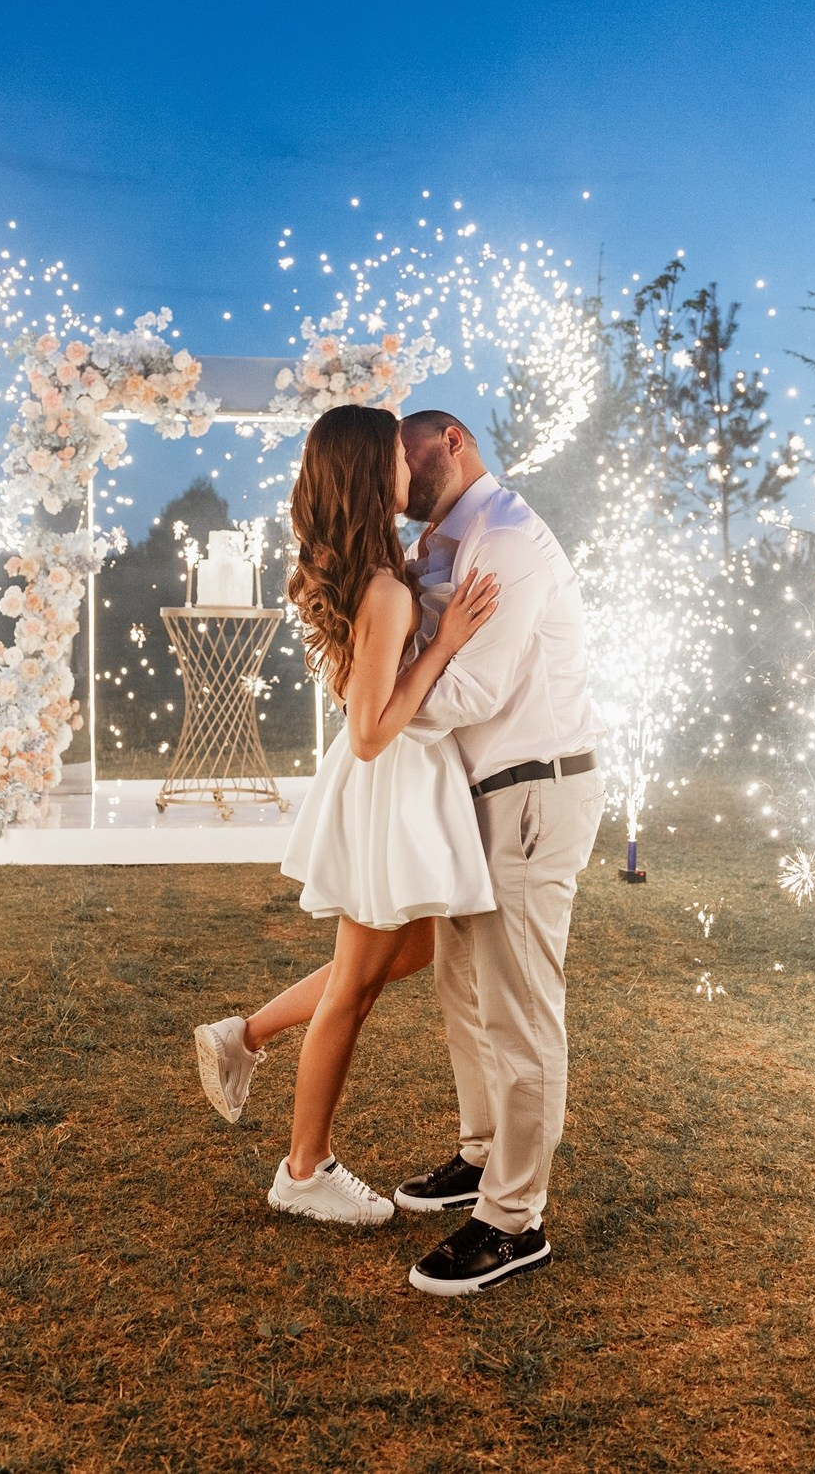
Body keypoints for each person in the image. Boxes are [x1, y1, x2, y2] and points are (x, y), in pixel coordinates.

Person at [192, 404, 500, 1227]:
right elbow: (367, 734)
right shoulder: (387, 590)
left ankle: (245, 1033)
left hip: (395, 789)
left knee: (415, 950)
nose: (410, 464)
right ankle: (304, 1165)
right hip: (390, 786)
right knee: (355, 988)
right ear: (376, 475)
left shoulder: (372, 577)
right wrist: (446, 643)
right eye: (396, 457)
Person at [384, 407, 601, 1298]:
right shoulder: (445, 542)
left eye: (409, 457)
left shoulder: (503, 537)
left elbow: (473, 685)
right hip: (480, 794)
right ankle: (481, 1155)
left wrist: (383, 706)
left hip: (530, 786)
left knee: (518, 1004)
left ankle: (516, 1219)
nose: (400, 479)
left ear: (455, 441)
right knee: (462, 983)